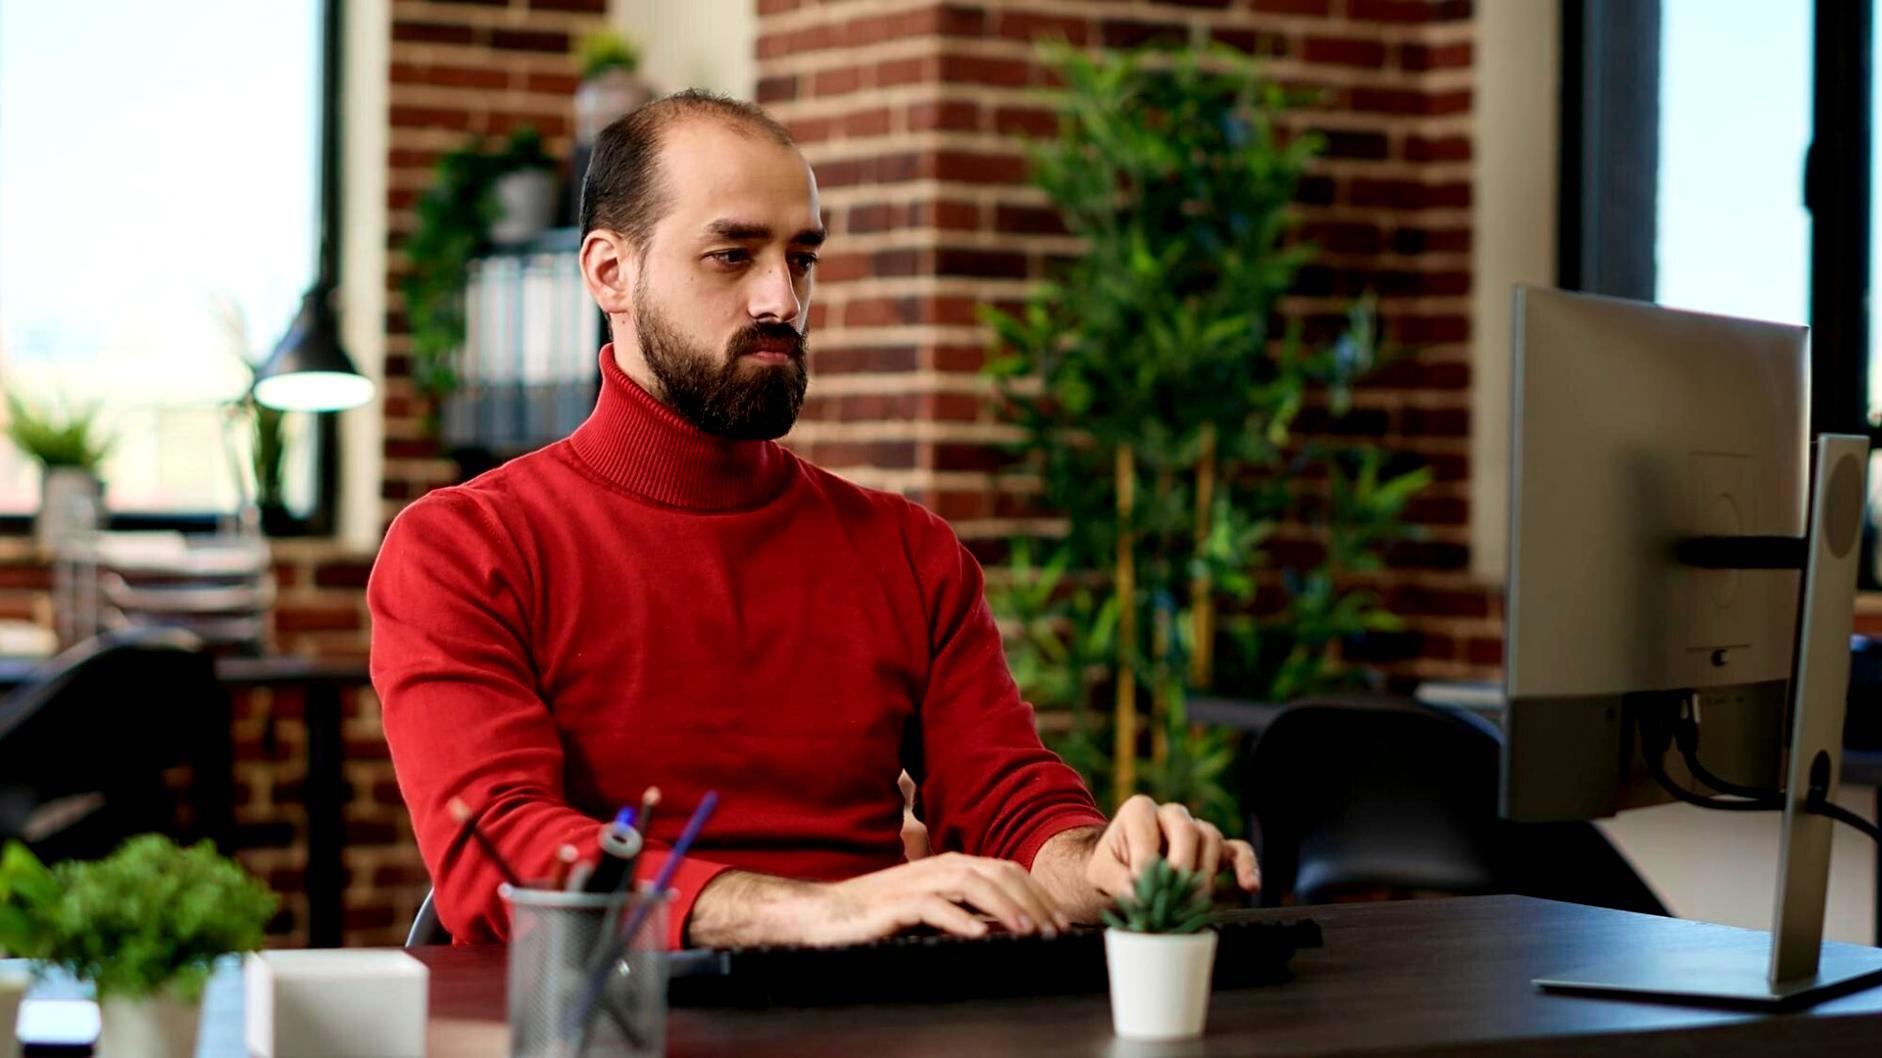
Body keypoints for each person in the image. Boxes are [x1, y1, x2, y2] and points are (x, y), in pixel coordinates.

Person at [368, 90, 1259, 950]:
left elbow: (1005, 803)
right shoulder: (463, 547)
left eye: (800, 258)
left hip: (877, 1017)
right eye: (732, 256)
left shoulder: (908, 551)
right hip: (611, 1019)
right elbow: (500, 852)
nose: (780, 302)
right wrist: (814, 912)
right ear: (611, 272)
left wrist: (1101, 865)